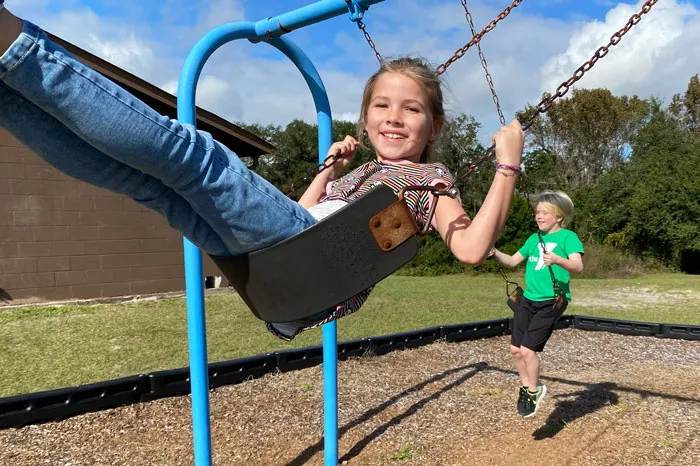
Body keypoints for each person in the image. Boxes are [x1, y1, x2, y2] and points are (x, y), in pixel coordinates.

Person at [0, 7, 525, 340]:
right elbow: (298, 212)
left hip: (315, 258)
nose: (393, 117)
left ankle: (13, 45)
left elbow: (472, 248)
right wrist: (330, 170)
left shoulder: (430, 178)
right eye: (382, 105)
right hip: (282, 267)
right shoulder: (360, 174)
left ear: (435, 124)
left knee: (193, 156)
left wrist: (507, 164)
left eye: (411, 109)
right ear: (365, 118)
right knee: (147, 183)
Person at [490, 190, 584, 417]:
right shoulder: (534, 239)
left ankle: (535, 389)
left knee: (527, 349)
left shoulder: (567, 238)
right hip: (528, 300)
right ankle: (526, 387)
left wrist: (558, 259)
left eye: (544, 212)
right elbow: (513, 261)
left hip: (551, 302)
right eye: (537, 212)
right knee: (515, 350)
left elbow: (578, 267)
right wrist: (493, 252)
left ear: (559, 216)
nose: (538, 216)